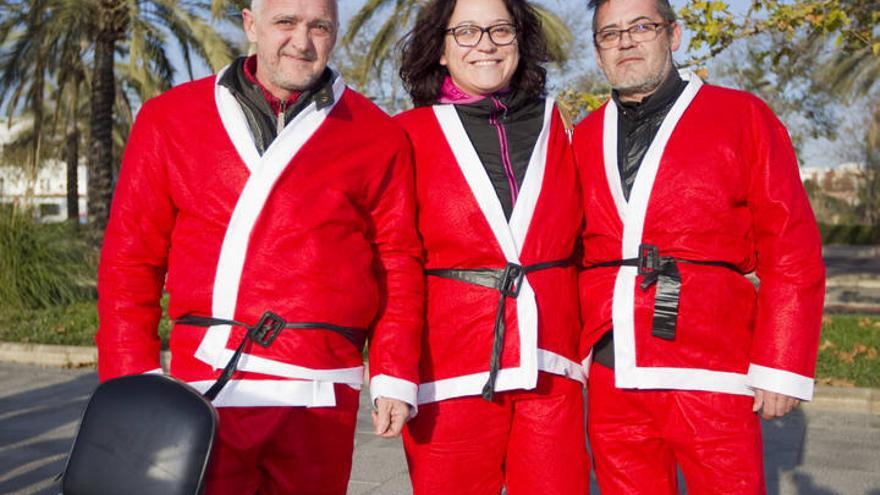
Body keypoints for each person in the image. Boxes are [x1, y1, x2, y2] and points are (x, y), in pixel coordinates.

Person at [95, 0, 424, 493]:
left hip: (322, 390)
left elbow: (397, 261)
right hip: (206, 383)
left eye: (319, 27)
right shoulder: (170, 119)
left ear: (335, 33)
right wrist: (132, 381)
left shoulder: (378, 135)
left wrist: (394, 373)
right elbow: (130, 260)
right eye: (285, 23)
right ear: (251, 25)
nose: (302, 40)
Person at [573, 0, 825, 493]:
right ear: (599, 52)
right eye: (610, 33)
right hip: (613, 366)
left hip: (712, 362)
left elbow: (790, 243)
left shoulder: (741, 115)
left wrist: (782, 362)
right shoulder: (582, 135)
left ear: (674, 34)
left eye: (641, 26)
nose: (626, 40)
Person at [394, 0, 590, 493]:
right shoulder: (405, 136)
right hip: (448, 366)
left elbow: (592, 241)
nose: (485, 44)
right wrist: (392, 373)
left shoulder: (561, 128)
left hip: (551, 364)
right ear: (439, 48)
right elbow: (393, 261)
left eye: (501, 30)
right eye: (466, 31)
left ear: (520, 42)